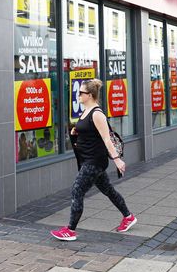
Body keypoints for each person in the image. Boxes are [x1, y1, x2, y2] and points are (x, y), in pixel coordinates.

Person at [50, 79, 136, 241]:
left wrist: (117, 160)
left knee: (77, 190)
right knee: (108, 190)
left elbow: (106, 139)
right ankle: (128, 217)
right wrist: (77, 131)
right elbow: (89, 130)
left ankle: (70, 230)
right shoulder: (86, 111)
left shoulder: (97, 114)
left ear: (90, 95)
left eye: (81, 93)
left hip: (95, 161)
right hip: (88, 159)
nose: (78, 95)